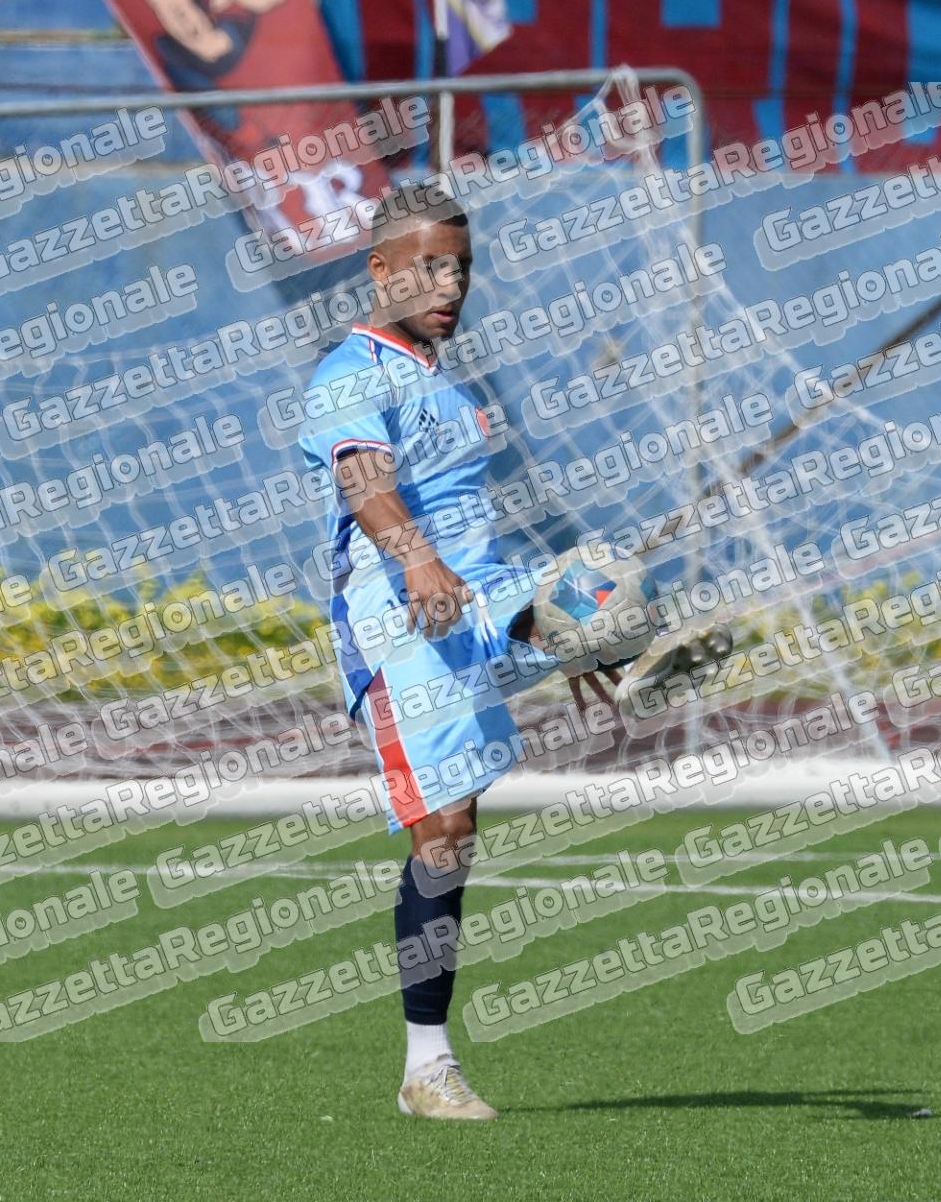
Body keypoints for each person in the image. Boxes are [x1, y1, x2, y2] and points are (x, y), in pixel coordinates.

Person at [295, 177, 723, 1119]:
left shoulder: (445, 382)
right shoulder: (352, 375)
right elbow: (365, 482)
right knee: (445, 834)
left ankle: (603, 649)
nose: (449, 285)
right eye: (427, 268)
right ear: (380, 271)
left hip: (475, 594)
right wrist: (415, 559)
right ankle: (426, 1069)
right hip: (398, 616)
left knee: (594, 588)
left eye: (462, 267)